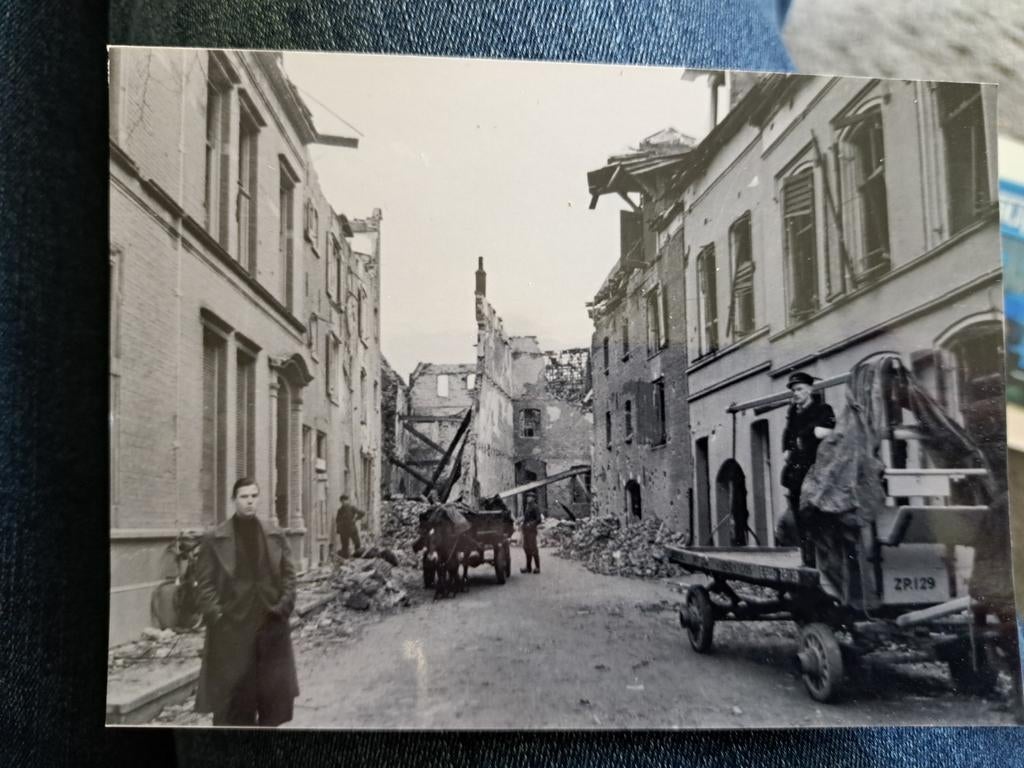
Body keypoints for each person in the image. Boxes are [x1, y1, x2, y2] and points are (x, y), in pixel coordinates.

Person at [194, 478, 299, 727]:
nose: (250, 501)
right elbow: (204, 583)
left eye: (254, 496)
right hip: (232, 628)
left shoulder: (274, 533)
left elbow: (289, 576)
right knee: (234, 701)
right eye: (244, 496)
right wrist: (216, 615)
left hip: (270, 624)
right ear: (234, 500)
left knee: (271, 697)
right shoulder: (214, 538)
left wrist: (283, 607)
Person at [778, 371, 835, 565]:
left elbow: (827, 432)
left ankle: (821, 560)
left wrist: (809, 434)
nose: (796, 393)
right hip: (796, 475)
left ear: (810, 389)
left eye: (800, 389)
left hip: (815, 474)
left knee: (814, 518)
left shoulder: (822, 410)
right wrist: (786, 448)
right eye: (794, 390)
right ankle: (807, 558)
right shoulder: (793, 412)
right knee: (800, 518)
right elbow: (788, 433)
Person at [335, 494, 366, 559]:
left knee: (357, 544)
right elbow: (338, 520)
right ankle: (346, 560)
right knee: (345, 547)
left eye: (345, 501)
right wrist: (339, 530)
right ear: (341, 502)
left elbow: (362, 513)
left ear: (348, 501)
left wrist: (356, 519)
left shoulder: (352, 508)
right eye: (342, 501)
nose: (344, 502)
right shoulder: (340, 510)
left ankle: (358, 558)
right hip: (344, 531)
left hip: (352, 529)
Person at [520, 490, 543, 574]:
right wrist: (522, 522)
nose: (527, 498)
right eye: (527, 497)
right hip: (526, 530)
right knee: (526, 548)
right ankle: (528, 567)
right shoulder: (527, 506)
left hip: (532, 531)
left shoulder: (535, 507)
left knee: (533, 549)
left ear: (533, 498)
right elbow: (526, 518)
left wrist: (531, 524)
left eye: (529, 497)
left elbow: (539, 519)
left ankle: (537, 567)